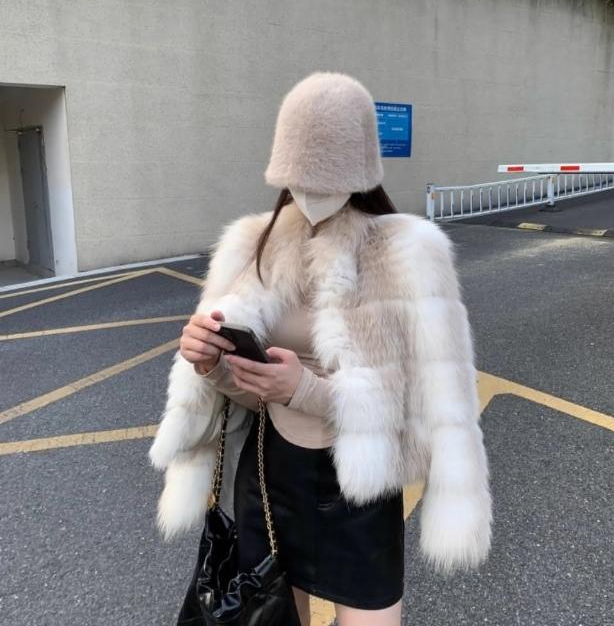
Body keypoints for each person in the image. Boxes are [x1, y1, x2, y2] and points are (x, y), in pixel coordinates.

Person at [149, 71, 493, 626]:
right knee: (274, 617)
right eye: (300, 177)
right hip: (270, 474)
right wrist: (211, 365)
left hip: (359, 487)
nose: (311, 192)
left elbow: (425, 403)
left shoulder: (409, 252)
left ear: (360, 173)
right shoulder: (251, 245)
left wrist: (306, 389)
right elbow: (249, 392)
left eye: (328, 177)